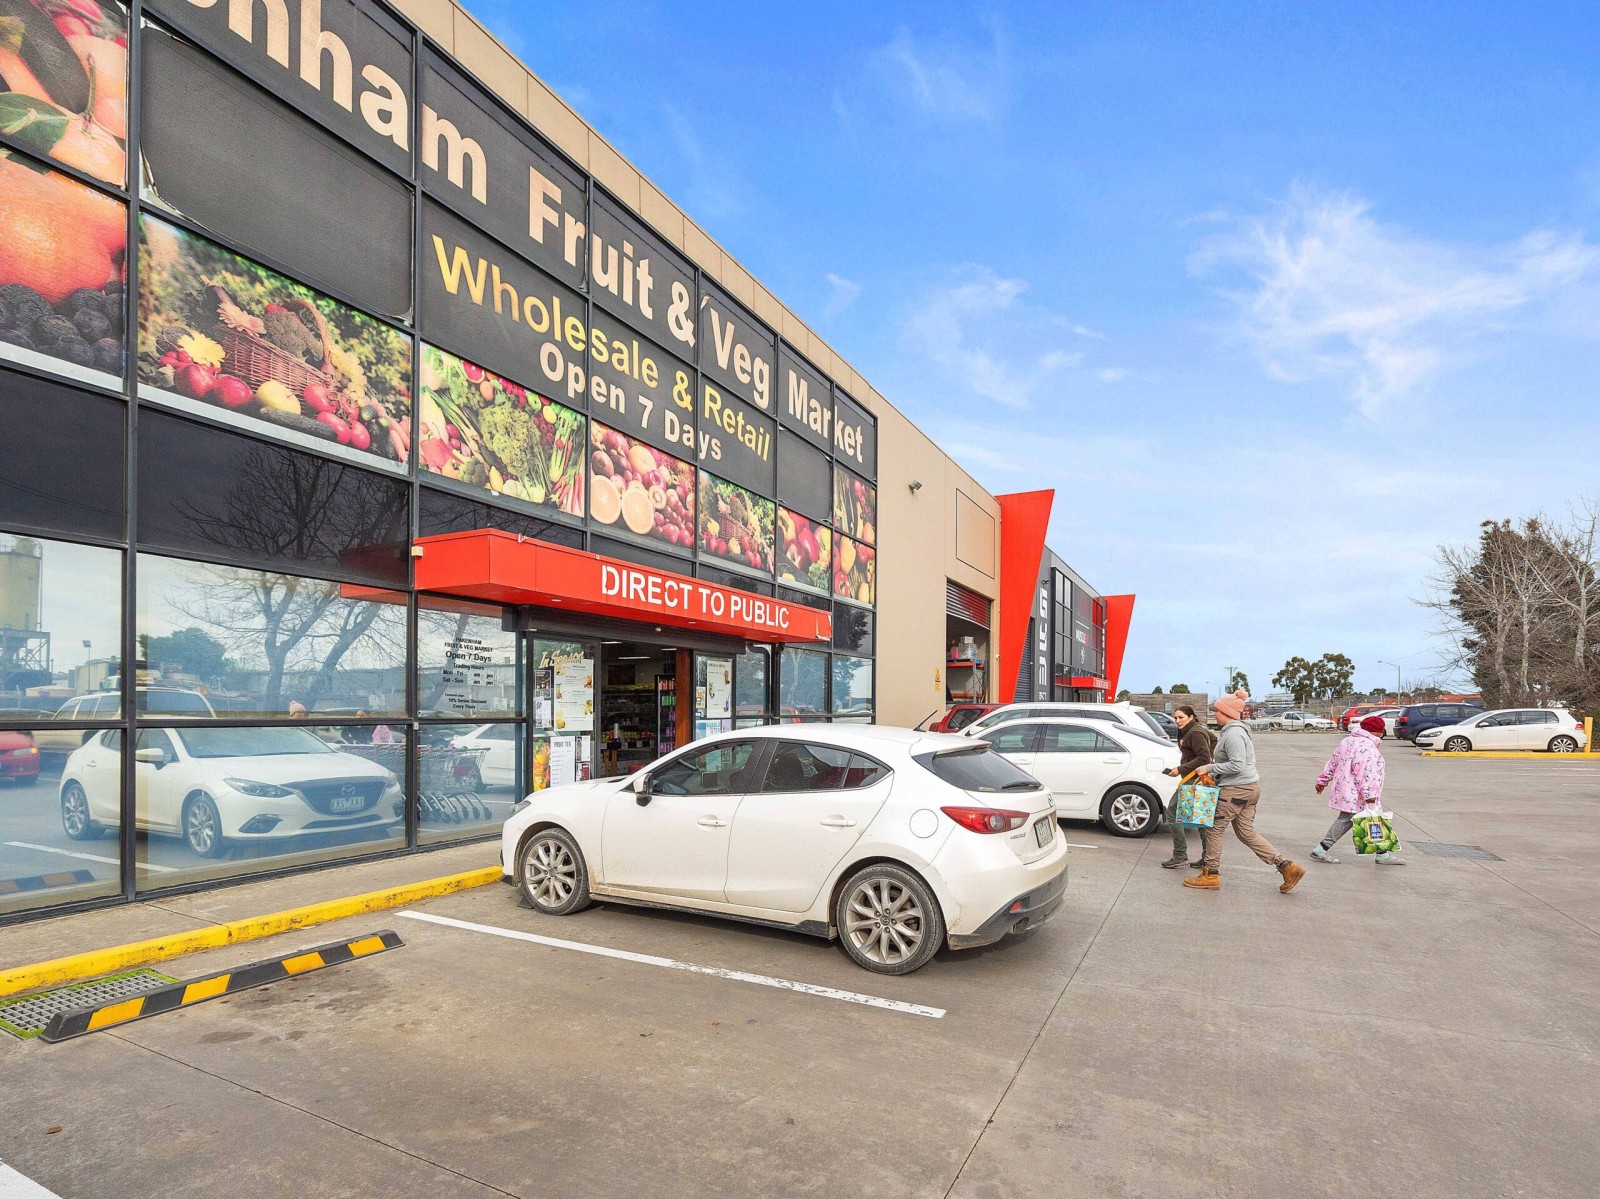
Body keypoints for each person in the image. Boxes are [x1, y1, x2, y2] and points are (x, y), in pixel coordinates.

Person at [1184, 690, 1306, 893]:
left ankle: (1210, 874)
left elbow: (1237, 764)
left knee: (1214, 829)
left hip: (1236, 790)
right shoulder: (1237, 731)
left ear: (1228, 712)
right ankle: (1287, 867)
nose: (1215, 713)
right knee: (1246, 833)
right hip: (1249, 788)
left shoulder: (1233, 734)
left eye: (1217, 710)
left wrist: (1209, 768)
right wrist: (1214, 773)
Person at [1312, 714, 1401, 864]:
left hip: (1346, 790)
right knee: (1352, 819)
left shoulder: (1346, 741)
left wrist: (1323, 780)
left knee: (1372, 820)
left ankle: (1382, 854)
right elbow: (1367, 773)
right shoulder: (1368, 748)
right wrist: (1370, 796)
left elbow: (1332, 763)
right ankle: (1321, 849)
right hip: (1358, 793)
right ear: (1379, 731)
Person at [1160, 704, 1215, 868]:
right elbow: (1213, 739)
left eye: (1181, 717)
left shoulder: (1195, 732)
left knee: (1172, 813)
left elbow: (1204, 758)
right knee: (1201, 819)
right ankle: (1207, 858)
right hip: (1197, 779)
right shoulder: (1189, 730)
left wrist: (1180, 769)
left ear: (1191, 717)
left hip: (1194, 780)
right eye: (1175, 718)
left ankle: (1180, 855)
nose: (1177, 721)